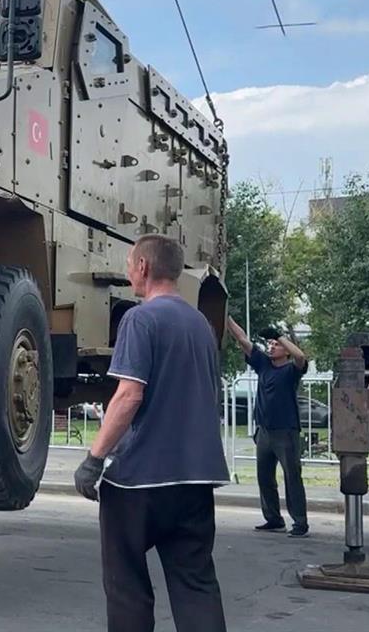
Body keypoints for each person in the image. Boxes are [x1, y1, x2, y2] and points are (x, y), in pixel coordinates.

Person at [73, 235, 229, 632]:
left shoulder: (140, 319)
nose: (127, 270)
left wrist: (93, 460)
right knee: (195, 584)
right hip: (195, 477)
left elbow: (128, 395)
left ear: (143, 267)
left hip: (140, 481)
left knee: (126, 585)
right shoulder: (200, 325)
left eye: (129, 263)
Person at [226, 316, 309, 538]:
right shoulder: (263, 364)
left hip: (286, 431)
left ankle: (300, 523)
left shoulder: (292, 370)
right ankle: (273, 519)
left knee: (292, 477)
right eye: (270, 343)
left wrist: (279, 334)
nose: (271, 346)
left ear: (287, 350)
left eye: (276, 344)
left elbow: (301, 356)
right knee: (264, 477)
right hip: (264, 431)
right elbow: (242, 338)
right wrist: (225, 315)